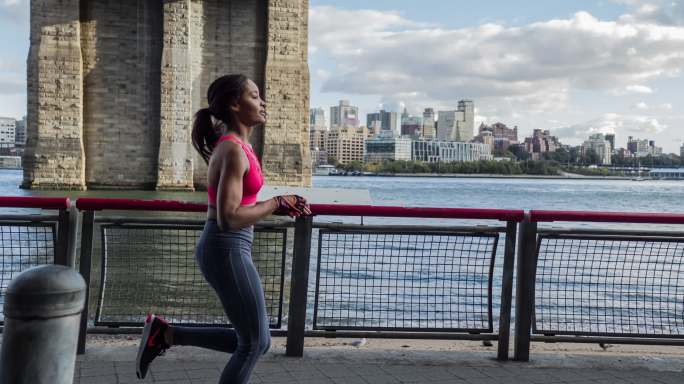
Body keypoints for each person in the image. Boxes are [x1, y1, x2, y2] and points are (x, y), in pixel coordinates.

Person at [135, 74, 311, 383]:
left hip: (231, 248)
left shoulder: (240, 146)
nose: (263, 102)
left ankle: (166, 335)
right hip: (225, 246)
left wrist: (280, 202)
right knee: (253, 344)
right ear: (234, 104)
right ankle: (165, 335)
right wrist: (277, 203)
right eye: (255, 96)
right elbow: (228, 217)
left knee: (259, 342)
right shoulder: (231, 149)